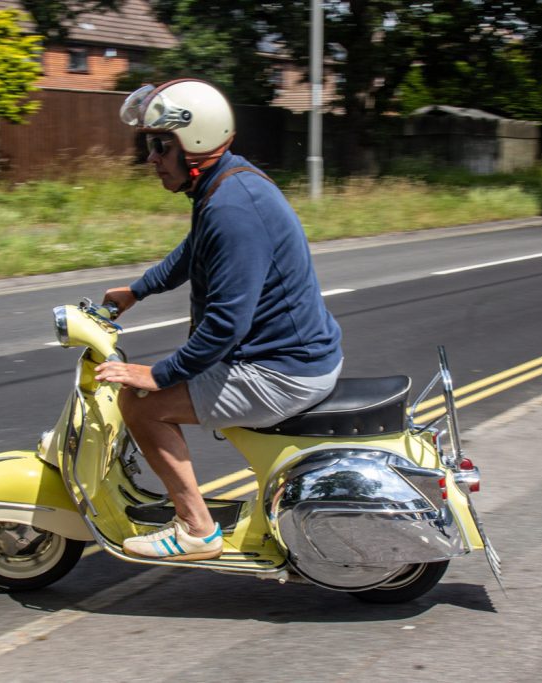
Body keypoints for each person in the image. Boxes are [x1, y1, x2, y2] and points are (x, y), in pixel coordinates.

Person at [94, 79, 343, 561]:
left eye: (161, 145)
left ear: (197, 141)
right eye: (152, 145)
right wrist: (137, 291)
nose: (152, 158)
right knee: (150, 387)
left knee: (141, 403)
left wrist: (157, 374)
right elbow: (193, 253)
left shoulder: (232, 208)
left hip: (282, 369)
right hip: (291, 355)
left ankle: (195, 531)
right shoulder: (226, 182)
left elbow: (226, 326)